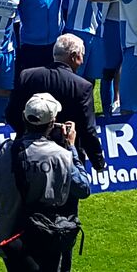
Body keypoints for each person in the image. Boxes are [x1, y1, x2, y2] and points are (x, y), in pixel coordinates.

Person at [0, 93, 91, 272]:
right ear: (52, 123)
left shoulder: (3, 148)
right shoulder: (61, 155)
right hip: (46, 236)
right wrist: (71, 147)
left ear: (24, 117)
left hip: (10, 236)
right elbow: (83, 188)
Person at [8, 34, 106, 171]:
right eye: (82, 55)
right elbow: (87, 130)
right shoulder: (82, 86)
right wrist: (98, 163)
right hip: (67, 158)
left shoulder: (27, 76)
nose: (82, 60)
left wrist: (27, 134)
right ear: (74, 56)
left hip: (28, 154)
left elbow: (12, 114)